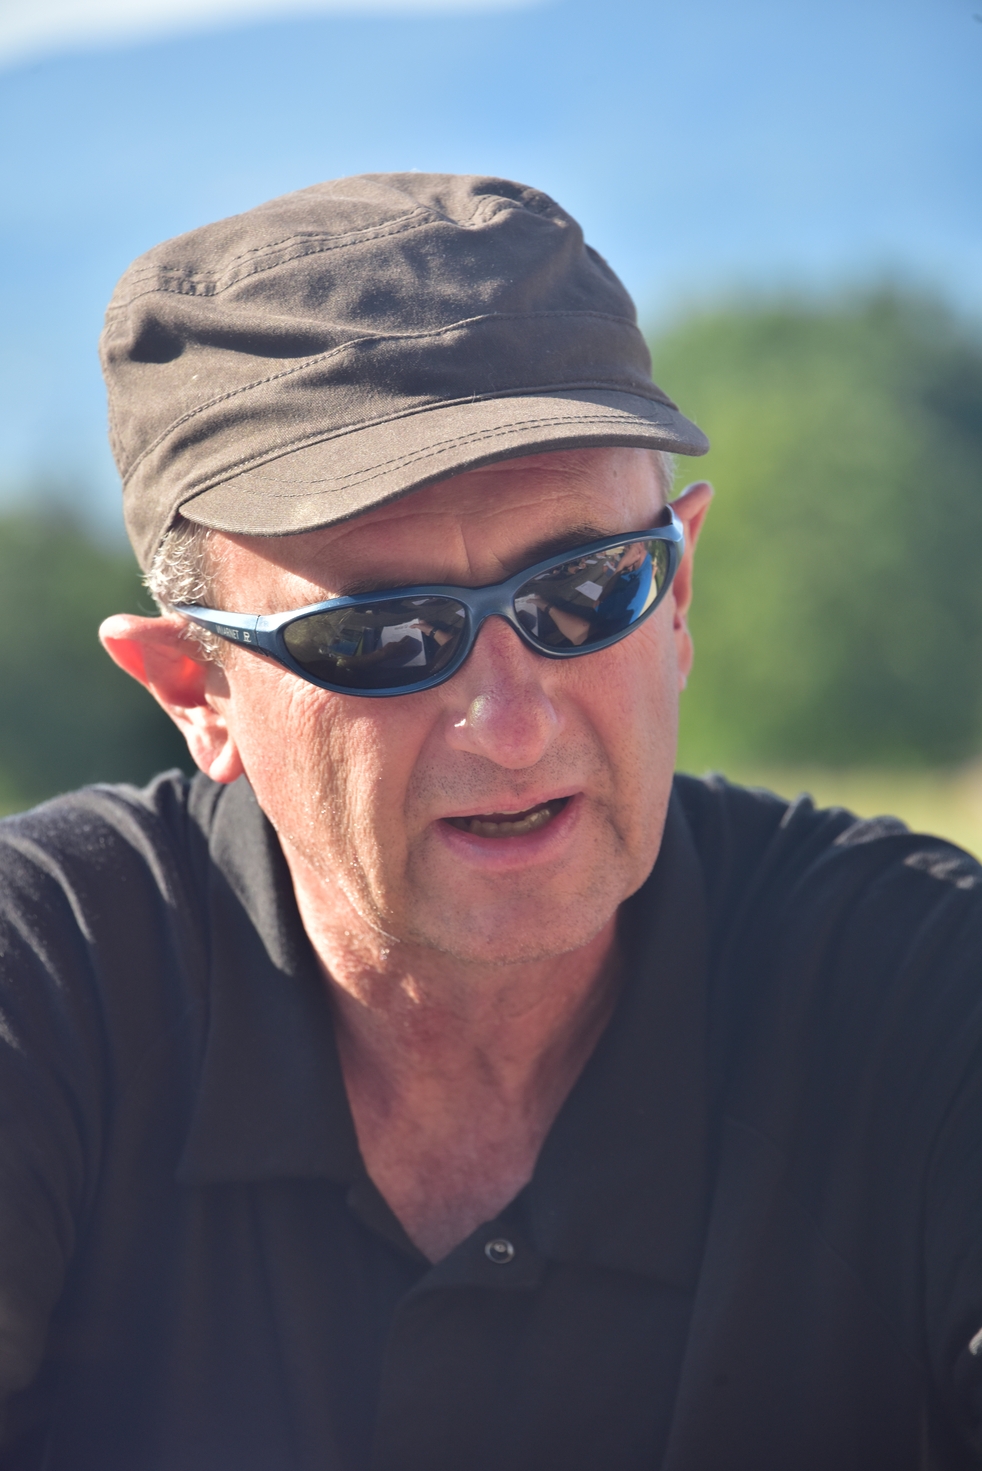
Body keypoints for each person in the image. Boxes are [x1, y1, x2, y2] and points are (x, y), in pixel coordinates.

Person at [0, 173, 980, 1471]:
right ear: (199, 693)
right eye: (383, 636)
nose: (511, 727)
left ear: (679, 594)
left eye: (587, 592)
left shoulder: (921, 989)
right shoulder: (49, 984)